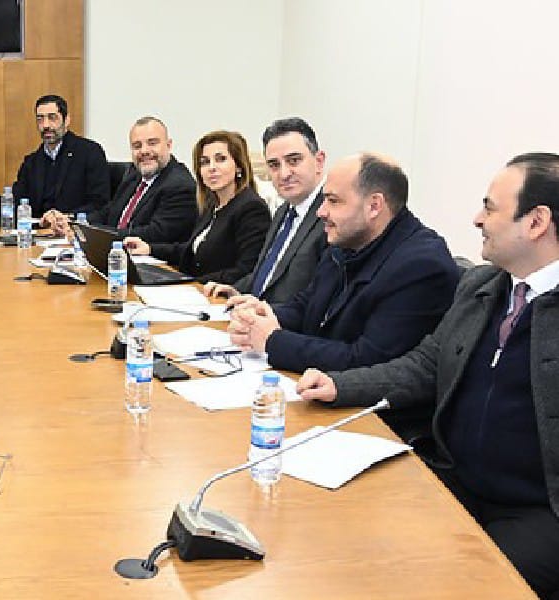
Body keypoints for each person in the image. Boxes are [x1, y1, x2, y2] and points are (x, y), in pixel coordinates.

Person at [297, 153, 559, 599]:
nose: (477, 219)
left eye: (490, 208)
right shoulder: (481, 288)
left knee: (455, 585)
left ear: (536, 222)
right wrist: (341, 385)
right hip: (454, 479)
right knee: (346, 541)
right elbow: (425, 365)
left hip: (538, 511)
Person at [227, 153, 459, 376]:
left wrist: (273, 340)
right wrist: (264, 316)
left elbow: (367, 361)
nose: (321, 212)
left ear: (374, 206)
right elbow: (307, 306)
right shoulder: (347, 241)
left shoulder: (421, 266)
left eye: (333, 201)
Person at [204, 117, 328, 303]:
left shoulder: (331, 216)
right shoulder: (283, 211)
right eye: (274, 165)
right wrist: (236, 290)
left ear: (319, 161)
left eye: (294, 161)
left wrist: (265, 310)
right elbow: (267, 273)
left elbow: (319, 298)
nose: (284, 174)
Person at [123, 130, 269, 283]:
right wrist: (149, 248)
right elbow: (191, 250)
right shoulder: (211, 205)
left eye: (220, 159)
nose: (211, 168)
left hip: (216, 293)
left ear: (239, 166)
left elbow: (246, 271)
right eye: (204, 162)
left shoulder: (251, 208)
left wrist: (191, 283)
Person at [0, 94, 108, 217]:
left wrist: (67, 217)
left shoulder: (89, 152)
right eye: (40, 119)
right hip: (38, 234)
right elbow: (17, 199)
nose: (46, 125)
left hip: (74, 233)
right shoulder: (33, 161)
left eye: (52, 118)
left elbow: (100, 203)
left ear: (66, 121)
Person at [48, 116, 197, 243]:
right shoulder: (134, 174)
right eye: (137, 146)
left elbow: (154, 234)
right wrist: (73, 222)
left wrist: (88, 232)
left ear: (168, 145)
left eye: (152, 143)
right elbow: (109, 212)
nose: (144, 151)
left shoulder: (180, 185)